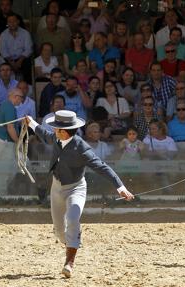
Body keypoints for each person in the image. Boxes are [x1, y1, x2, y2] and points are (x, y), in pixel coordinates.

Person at [25, 110, 134, 278]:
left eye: (56, 128)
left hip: (76, 188)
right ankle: (72, 242)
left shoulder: (82, 147)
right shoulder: (56, 137)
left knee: (73, 217)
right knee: (60, 232)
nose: (53, 130)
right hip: (56, 188)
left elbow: (101, 166)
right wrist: (31, 122)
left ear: (63, 131)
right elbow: (44, 133)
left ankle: (69, 262)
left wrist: (120, 187)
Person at [0, 88, 24, 196]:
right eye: (21, 97)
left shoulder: (7, 106)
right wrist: (18, 143)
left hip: (5, 142)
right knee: (4, 171)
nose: (22, 101)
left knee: (11, 169)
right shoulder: (9, 107)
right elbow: (10, 127)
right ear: (16, 96)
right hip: (5, 142)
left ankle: (1, 194)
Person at [0, 13, 33, 82]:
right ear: (7, 23)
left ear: (18, 21)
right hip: (9, 59)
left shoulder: (25, 33)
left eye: (14, 21)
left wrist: (19, 61)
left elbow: (28, 49)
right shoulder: (3, 35)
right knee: (3, 65)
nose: (12, 23)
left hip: (22, 59)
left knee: (28, 63)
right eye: (10, 22)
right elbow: (3, 50)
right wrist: (11, 62)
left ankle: (27, 85)